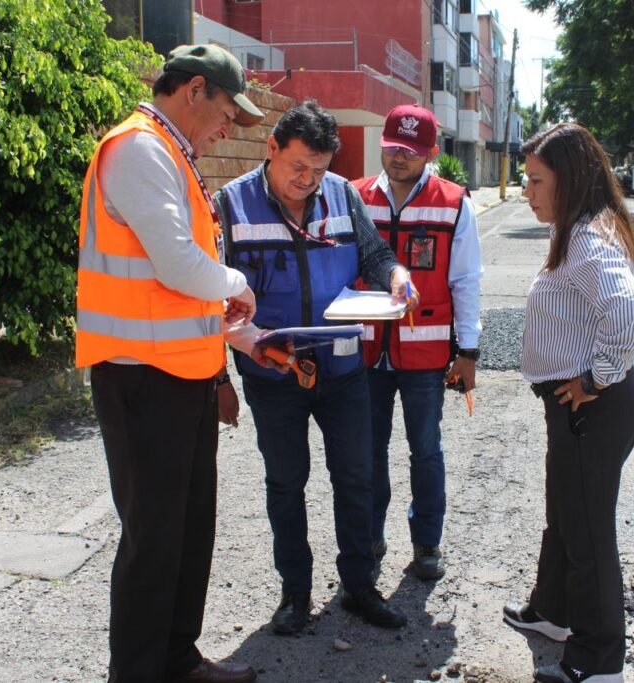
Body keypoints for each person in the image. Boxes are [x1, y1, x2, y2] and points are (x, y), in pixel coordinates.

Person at [76, 44, 266, 683]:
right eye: (223, 113)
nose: (225, 129)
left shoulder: (169, 155)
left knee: (188, 532)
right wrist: (238, 283)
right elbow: (178, 264)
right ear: (193, 91)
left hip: (179, 376)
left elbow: (177, 293)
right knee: (153, 540)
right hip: (139, 378)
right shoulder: (137, 150)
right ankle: (136, 672)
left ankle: (177, 659)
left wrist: (224, 354)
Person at [214, 100, 415, 636]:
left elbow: (375, 256)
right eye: (297, 166)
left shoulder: (344, 195)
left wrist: (396, 277)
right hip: (273, 373)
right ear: (271, 148)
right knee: (286, 482)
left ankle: (359, 586)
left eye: (318, 170)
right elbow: (208, 299)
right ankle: (295, 595)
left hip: (343, 367)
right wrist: (219, 377)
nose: (307, 180)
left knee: (357, 476)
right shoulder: (230, 206)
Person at [502, 123, 634, 683]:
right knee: (565, 515)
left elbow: (630, 313)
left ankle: (597, 659)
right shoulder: (580, 226)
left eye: (537, 181)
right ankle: (553, 613)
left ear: (571, 180)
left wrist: (596, 378)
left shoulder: (589, 238)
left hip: (592, 408)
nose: (527, 191)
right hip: (577, 409)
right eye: (526, 179)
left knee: (588, 533)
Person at [351, 104, 483, 581]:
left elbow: (466, 280)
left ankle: (427, 543)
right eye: (392, 148)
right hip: (366, 352)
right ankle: (369, 535)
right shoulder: (356, 197)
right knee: (368, 451)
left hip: (425, 357)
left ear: (428, 152)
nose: (399, 158)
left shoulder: (453, 203)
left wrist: (468, 352)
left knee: (425, 450)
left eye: (410, 150)